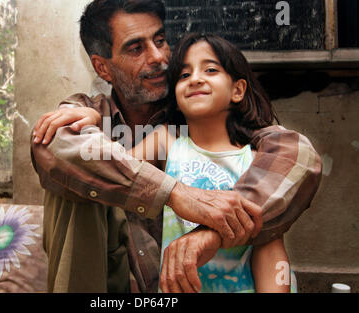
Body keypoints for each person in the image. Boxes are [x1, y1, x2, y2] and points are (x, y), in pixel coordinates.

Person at [30, 0, 322, 293]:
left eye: (160, 40)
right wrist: (176, 194)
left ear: (237, 90)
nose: (158, 57)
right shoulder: (90, 114)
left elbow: (297, 155)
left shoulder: (203, 114)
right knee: (73, 183)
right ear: (102, 67)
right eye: (136, 48)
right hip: (115, 287)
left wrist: (211, 233)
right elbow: (51, 147)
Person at [128, 32, 300, 292]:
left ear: (238, 90)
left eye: (210, 70)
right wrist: (88, 118)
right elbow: (119, 171)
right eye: (184, 75)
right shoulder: (165, 142)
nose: (195, 79)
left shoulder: (257, 161)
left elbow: (269, 249)